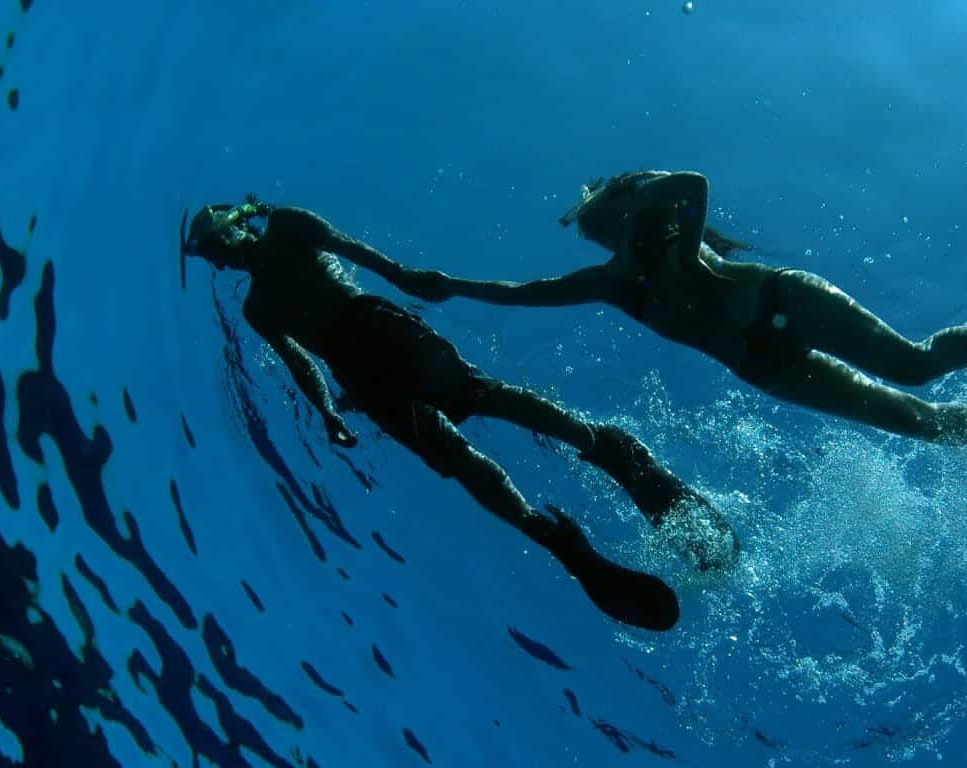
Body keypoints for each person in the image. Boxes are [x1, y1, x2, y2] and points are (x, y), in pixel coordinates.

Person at [181, 200, 739, 632]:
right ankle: (550, 536)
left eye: (217, 239)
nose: (219, 253)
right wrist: (328, 410)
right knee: (451, 456)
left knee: (479, 393)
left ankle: (595, 444)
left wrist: (401, 274)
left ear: (238, 224)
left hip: (375, 324)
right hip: (358, 374)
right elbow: (299, 361)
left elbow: (349, 249)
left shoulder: (286, 228)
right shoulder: (258, 310)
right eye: (210, 253)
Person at [396, 171, 967, 446]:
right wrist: (450, 283)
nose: (594, 229)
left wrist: (689, 242)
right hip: (763, 363)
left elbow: (691, 182)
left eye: (600, 217)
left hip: (782, 300)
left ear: (623, 211)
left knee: (913, 365)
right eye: (595, 229)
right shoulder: (606, 282)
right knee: (917, 422)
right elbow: (525, 294)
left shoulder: (664, 228)